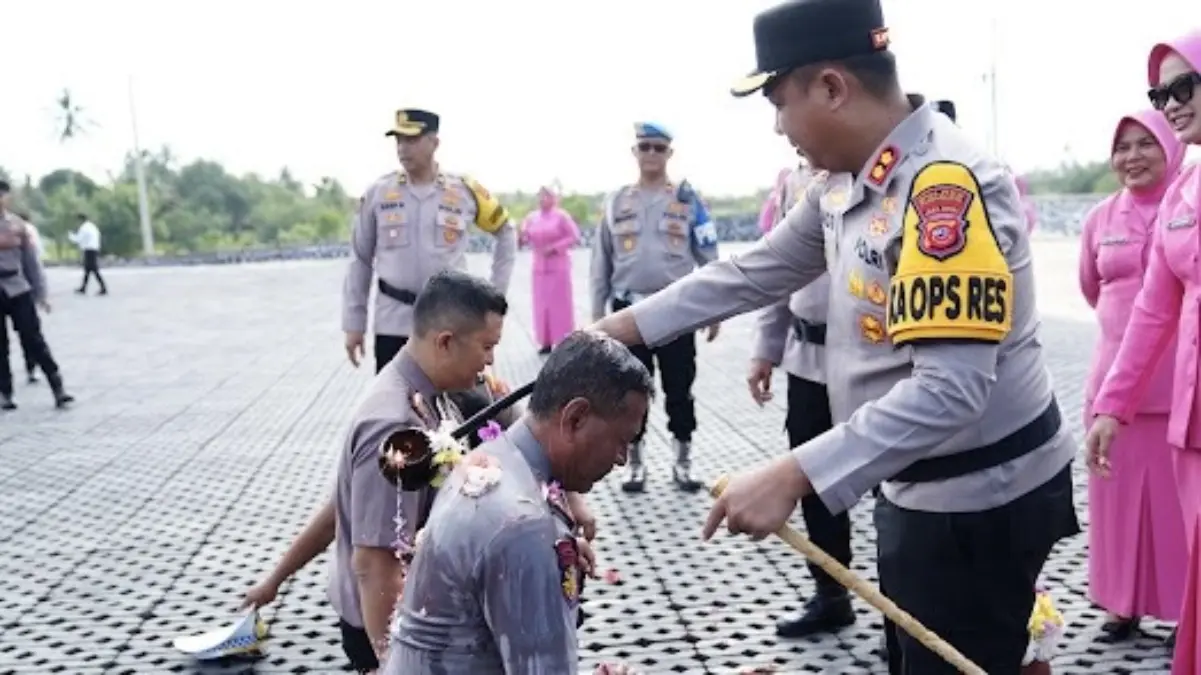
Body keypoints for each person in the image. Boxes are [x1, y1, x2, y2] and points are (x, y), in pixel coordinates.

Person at [589, 1, 1079, 672]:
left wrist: (791, 475)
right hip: (913, 484)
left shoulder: (943, 188)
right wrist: (613, 331)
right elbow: (754, 270)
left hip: (975, 501)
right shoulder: (848, 180)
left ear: (830, 87)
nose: (777, 127)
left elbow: (950, 390)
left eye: (779, 103)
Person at [382, 331, 652, 675]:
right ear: (575, 418)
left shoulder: (492, 460)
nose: (622, 459)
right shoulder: (525, 526)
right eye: (621, 440)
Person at [1086, 28, 1201, 675]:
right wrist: (1112, 405)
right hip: (1190, 422)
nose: (1172, 104)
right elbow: (1154, 310)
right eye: (1161, 94)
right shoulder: (1185, 197)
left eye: (1184, 86)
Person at [329, 269, 509, 673]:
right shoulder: (394, 426)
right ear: (445, 342)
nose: (491, 361)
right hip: (389, 630)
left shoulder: (430, 394)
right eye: (487, 346)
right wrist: (395, 663)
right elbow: (376, 563)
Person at [1079, 109, 1188, 641]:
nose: (1133, 156)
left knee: (1177, 513)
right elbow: (1090, 287)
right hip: (1111, 392)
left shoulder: (1188, 207)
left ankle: (1186, 614)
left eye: (1146, 143)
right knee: (1116, 510)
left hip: (1178, 393)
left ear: (1172, 147)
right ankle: (1121, 607)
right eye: (1122, 147)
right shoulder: (1100, 218)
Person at [748, 159, 853, 639]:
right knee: (815, 482)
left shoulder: (878, 171)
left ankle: (901, 614)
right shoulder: (793, 183)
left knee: (893, 492)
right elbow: (779, 271)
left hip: (873, 361)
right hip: (808, 361)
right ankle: (831, 595)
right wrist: (765, 349)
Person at [589, 121, 721, 493]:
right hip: (627, 312)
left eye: (658, 148)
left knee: (680, 389)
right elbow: (600, 262)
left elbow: (709, 257)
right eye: (644, 146)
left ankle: (683, 462)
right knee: (629, 392)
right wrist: (597, 315)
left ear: (669, 153)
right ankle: (634, 464)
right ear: (634, 151)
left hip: (676, 311)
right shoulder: (616, 201)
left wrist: (714, 311)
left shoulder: (689, 201)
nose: (651, 154)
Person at [342, 108, 517, 374]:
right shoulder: (379, 193)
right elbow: (360, 259)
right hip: (394, 322)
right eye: (399, 140)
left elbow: (506, 232)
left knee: (456, 396)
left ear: (434, 142)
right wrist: (354, 323)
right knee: (394, 397)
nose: (403, 148)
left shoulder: (464, 192)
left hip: (451, 323)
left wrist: (494, 297)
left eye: (411, 139)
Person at [0, 183, 74, 410]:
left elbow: (31, 262)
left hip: (18, 287)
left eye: (2, 195)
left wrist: (41, 293)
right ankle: (5, 392)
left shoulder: (17, 226)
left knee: (33, 339)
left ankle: (57, 386)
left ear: (7, 198)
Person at [520, 186, 581, 354]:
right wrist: (522, 236)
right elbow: (526, 236)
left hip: (558, 267)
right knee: (541, 306)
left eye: (546, 196)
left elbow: (574, 236)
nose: (542, 199)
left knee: (560, 306)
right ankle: (544, 341)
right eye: (540, 196)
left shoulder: (561, 216)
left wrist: (555, 247)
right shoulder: (532, 217)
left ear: (553, 198)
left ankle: (563, 341)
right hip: (539, 268)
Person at [11, 212, 43, 384]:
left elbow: (32, 260)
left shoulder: (21, 228)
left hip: (19, 286)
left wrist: (39, 290)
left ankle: (31, 366)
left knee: (29, 333)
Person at [68, 212, 106, 296]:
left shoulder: (84, 228)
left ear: (80, 220)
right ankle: (83, 288)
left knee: (93, 269)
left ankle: (103, 288)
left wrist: (70, 236)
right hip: (94, 249)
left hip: (89, 250)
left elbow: (78, 239)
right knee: (88, 270)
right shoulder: (92, 226)